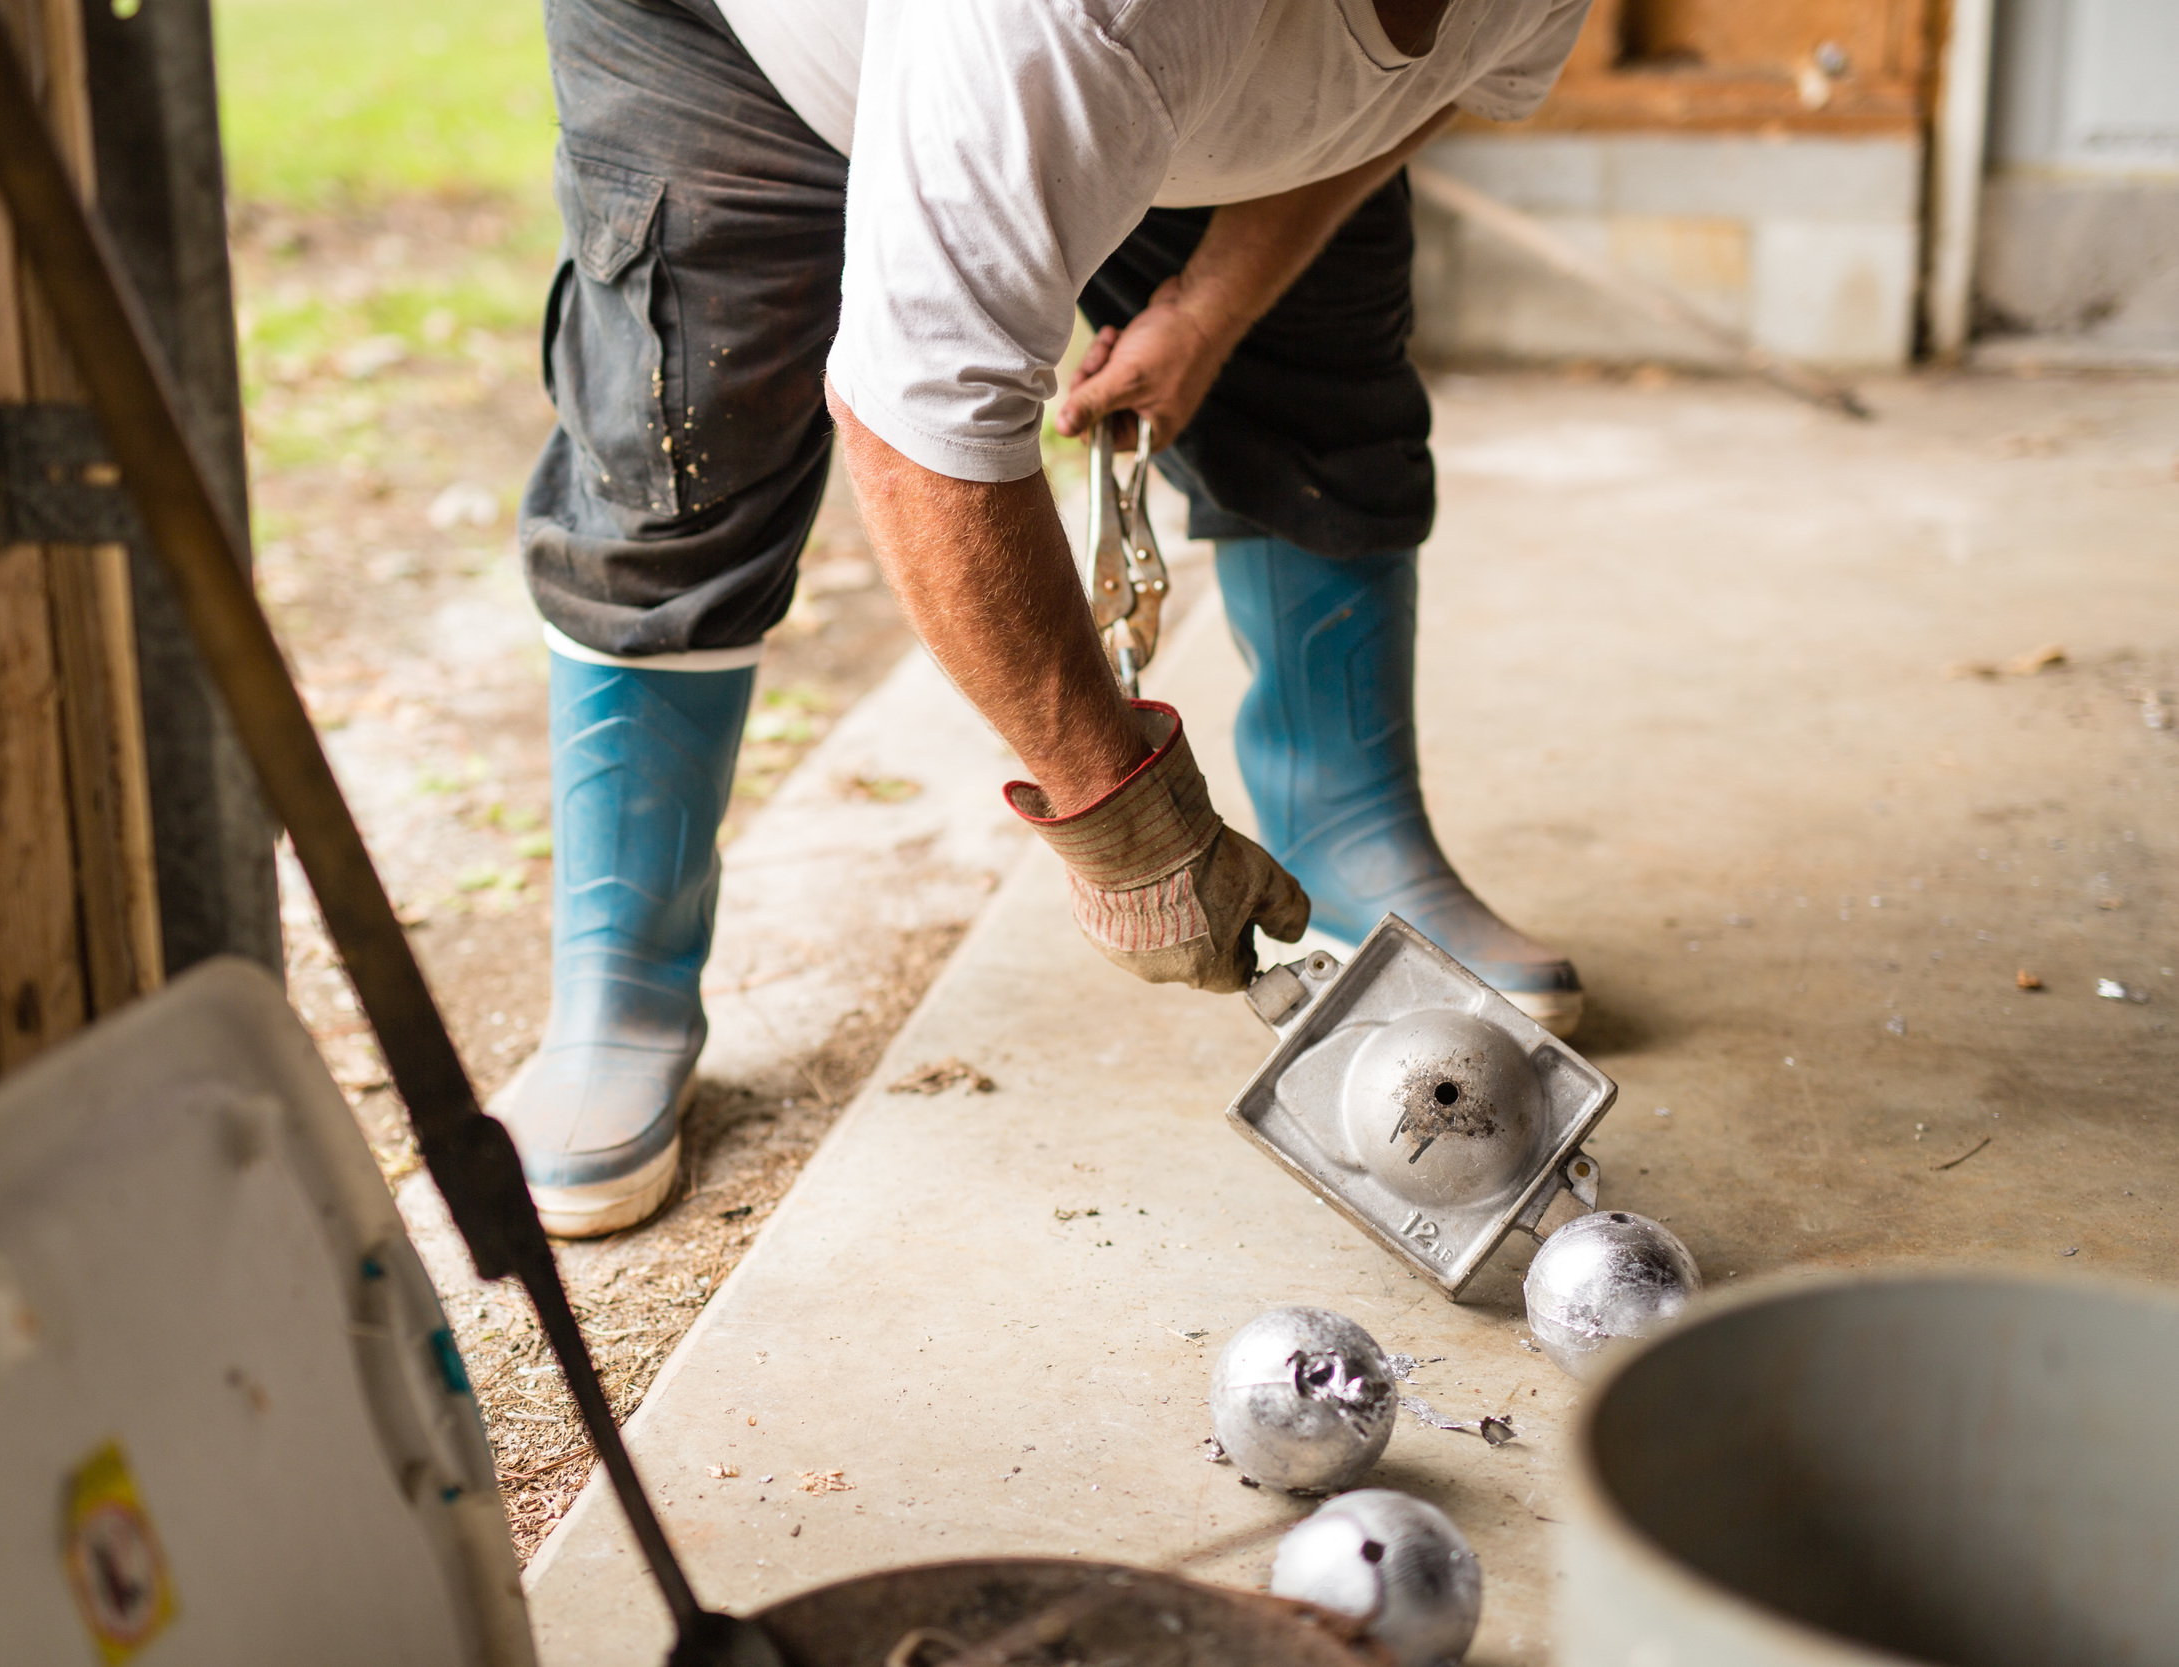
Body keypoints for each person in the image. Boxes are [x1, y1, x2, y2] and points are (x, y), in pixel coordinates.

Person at [505, 0, 1592, 1236]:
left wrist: (1211, 306)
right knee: (685, 448)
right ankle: (621, 988)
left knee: (1314, 378)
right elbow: (917, 418)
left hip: (1150, 68)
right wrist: (1121, 815)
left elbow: (1416, 88)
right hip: (747, 40)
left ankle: (1353, 839)